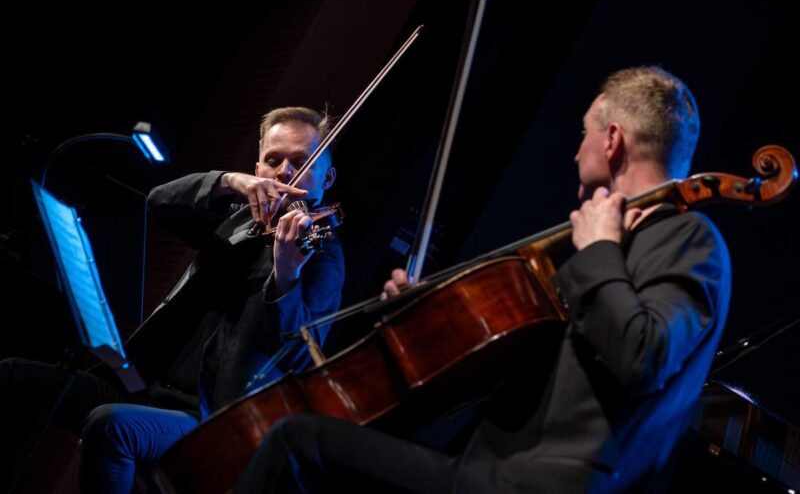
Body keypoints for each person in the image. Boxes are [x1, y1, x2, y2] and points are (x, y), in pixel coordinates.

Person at [233, 67, 732, 493]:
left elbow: (644, 357)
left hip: (541, 483)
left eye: (584, 133)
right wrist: (425, 316)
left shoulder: (689, 239)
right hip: (495, 467)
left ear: (613, 140)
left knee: (296, 444)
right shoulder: (609, 241)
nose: (576, 151)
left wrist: (601, 250)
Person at [0, 106, 345, 494]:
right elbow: (160, 202)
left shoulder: (322, 255)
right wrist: (229, 181)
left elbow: (296, 354)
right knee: (12, 375)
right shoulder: (239, 219)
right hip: (139, 386)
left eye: (300, 162)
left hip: (207, 417)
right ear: (257, 168)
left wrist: (287, 276)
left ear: (327, 178)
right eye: (273, 160)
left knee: (111, 426)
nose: (284, 172)